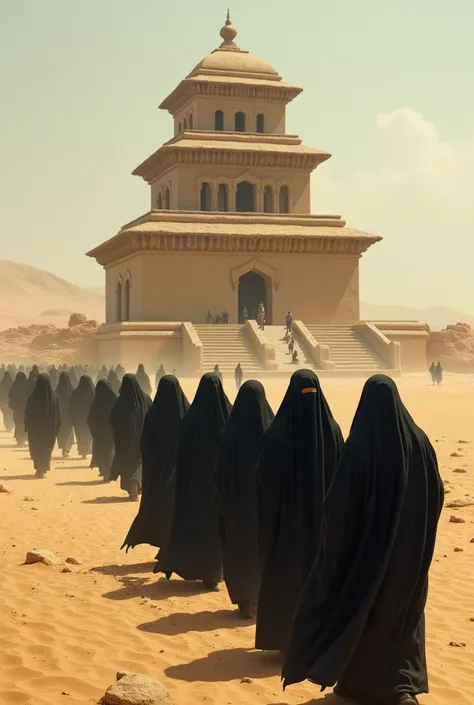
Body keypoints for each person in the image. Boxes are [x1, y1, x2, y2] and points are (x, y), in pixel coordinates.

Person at [282, 375, 444, 705]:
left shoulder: (360, 446)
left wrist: (334, 554)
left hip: (365, 558)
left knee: (362, 609)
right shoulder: (421, 441)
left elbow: (339, 508)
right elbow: (436, 494)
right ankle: (395, 687)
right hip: (410, 557)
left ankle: (368, 683)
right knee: (402, 614)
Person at [256, 369, 343, 653]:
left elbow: (264, 484)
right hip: (325, 526)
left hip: (286, 527)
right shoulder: (332, 432)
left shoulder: (277, 434)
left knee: (287, 577)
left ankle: (285, 639)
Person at [154, 372, 232, 588]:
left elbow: (182, 456)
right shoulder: (230, 417)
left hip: (196, 486)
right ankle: (214, 574)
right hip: (221, 486)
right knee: (217, 529)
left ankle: (208, 571)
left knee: (202, 527)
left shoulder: (191, 419)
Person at [216, 380, 274, 618]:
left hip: (237, 506)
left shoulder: (229, 433)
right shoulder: (273, 431)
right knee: (262, 549)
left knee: (240, 548)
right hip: (265, 507)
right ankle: (259, 596)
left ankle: (244, 598)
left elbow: (220, 473)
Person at [122, 375, 190, 551]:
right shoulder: (187, 413)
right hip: (180, 471)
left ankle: (165, 545)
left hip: (157, 471)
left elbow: (145, 444)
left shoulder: (153, 414)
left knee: (160, 505)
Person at [109, 374, 152, 501]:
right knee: (140, 461)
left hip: (125, 440)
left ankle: (132, 485)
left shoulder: (121, 401)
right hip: (143, 438)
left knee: (127, 462)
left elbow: (113, 419)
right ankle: (136, 483)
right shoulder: (146, 399)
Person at [24, 374, 61, 478]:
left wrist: (27, 426)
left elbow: (27, 413)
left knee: (36, 447)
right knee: (46, 448)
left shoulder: (32, 397)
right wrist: (57, 427)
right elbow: (58, 415)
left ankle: (40, 467)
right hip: (49, 430)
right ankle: (43, 468)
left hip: (35, 430)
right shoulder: (54, 397)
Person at [88, 380, 117, 481]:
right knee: (110, 451)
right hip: (112, 431)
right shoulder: (115, 400)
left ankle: (105, 472)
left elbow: (90, 419)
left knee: (102, 451)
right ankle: (108, 472)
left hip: (100, 432)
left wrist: (95, 432)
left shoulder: (96, 402)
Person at [68, 375, 95, 459]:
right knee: (89, 434)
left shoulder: (75, 393)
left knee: (80, 435)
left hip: (79, 420)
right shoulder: (93, 393)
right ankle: (87, 450)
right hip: (90, 419)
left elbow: (71, 407)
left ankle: (83, 452)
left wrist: (71, 419)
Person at [55, 371, 75, 457]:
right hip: (69, 416)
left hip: (60, 416)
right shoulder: (72, 391)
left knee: (61, 431)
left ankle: (64, 447)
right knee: (69, 431)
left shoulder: (56, 391)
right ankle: (66, 449)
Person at [8, 371, 30, 446]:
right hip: (26, 409)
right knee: (25, 423)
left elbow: (10, 395)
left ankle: (20, 439)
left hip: (17, 409)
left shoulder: (14, 386)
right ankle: (23, 437)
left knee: (18, 423)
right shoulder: (27, 386)